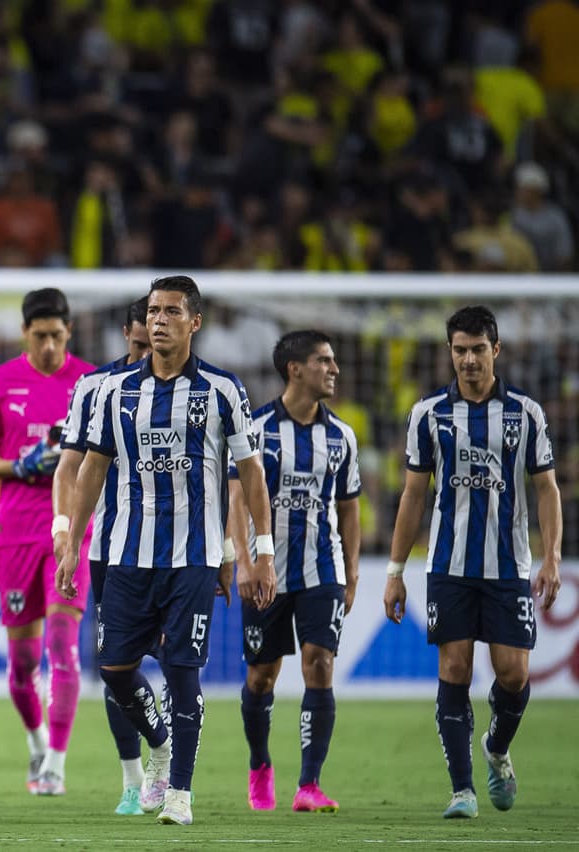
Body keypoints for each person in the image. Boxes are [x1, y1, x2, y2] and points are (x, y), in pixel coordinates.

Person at [57, 275, 275, 826]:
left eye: (171, 311)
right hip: (126, 553)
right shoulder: (113, 391)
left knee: (182, 671)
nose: (159, 320)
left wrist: (259, 551)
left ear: (194, 322)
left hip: (194, 557)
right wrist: (73, 543)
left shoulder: (223, 390)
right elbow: (92, 468)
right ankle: (158, 743)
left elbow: (249, 474)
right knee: (113, 669)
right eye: (154, 311)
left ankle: (180, 792)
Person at [384, 305, 562, 820]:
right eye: (460, 350)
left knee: (514, 674)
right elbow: (413, 495)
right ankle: (462, 790)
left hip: (508, 567)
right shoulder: (428, 414)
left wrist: (551, 556)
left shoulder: (525, 414)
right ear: (450, 352)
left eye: (478, 349)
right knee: (455, 668)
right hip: (449, 565)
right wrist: (395, 572)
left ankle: (496, 748)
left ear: (495, 350)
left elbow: (546, 489)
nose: (468, 359)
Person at [0, 288, 95, 796]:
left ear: (69, 332)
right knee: (23, 664)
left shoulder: (91, 383)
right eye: (39, 336)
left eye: (56, 336)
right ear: (24, 332)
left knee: (61, 643)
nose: (48, 346)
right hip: (16, 532)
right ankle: (38, 741)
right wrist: (17, 465)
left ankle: (56, 764)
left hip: (71, 532)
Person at [227, 330, 361, 814]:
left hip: (321, 569)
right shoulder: (257, 430)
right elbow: (236, 501)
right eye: (324, 360)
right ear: (295, 369)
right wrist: (244, 563)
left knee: (319, 663)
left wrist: (351, 573)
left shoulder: (342, 436)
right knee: (262, 676)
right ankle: (260, 765)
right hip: (266, 572)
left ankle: (309, 784)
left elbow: (349, 508)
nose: (334, 369)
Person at [50, 296, 156, 815]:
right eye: (139, 343)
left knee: (179, 665)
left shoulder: (200, 391)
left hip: (182, 552)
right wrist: (65, 532)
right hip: (114, 547)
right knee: (115, 665)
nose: (148, 353)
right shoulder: (96, 388)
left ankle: (172, 772)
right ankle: (134, 779)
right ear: (127, 334)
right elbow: (70, 467)